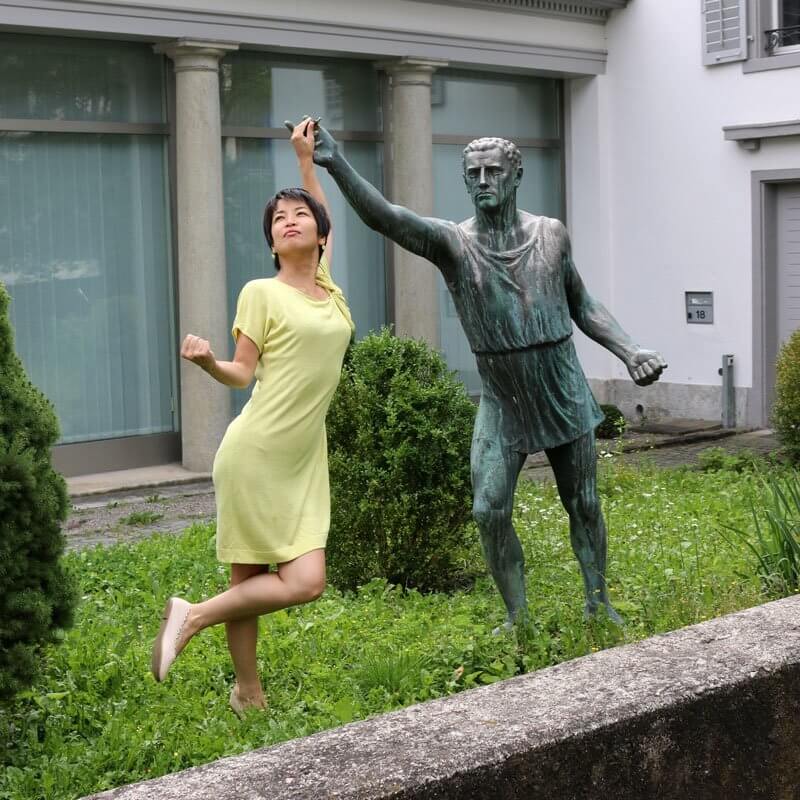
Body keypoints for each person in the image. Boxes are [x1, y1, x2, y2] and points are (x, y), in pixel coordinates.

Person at [310, 125, 666, 629]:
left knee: (583, 503)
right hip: (503, 398)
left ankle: (598, 602)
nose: (483, 180)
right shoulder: (453, 243)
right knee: (488, 510)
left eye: (493, 171)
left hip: (560, 385)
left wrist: (631, 351)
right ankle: (518, 617)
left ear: (516, 174)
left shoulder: (551, 234)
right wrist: (338, 164)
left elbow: (581, 302)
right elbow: (388, 218)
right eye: (472, 173)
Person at [151, 118, 354, 714]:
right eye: (278, 220)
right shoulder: (260, 293)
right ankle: (249, 691)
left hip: (302, 458)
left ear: (320, 235)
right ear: (271, 243)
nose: (290, 221)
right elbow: (244, 373)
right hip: (257, 452)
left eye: (300, 216)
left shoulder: (330, 290)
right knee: (259, 581)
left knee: (291, 583)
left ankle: (199, 623)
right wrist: (210, 361)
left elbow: (319, 204)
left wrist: (303, 160)